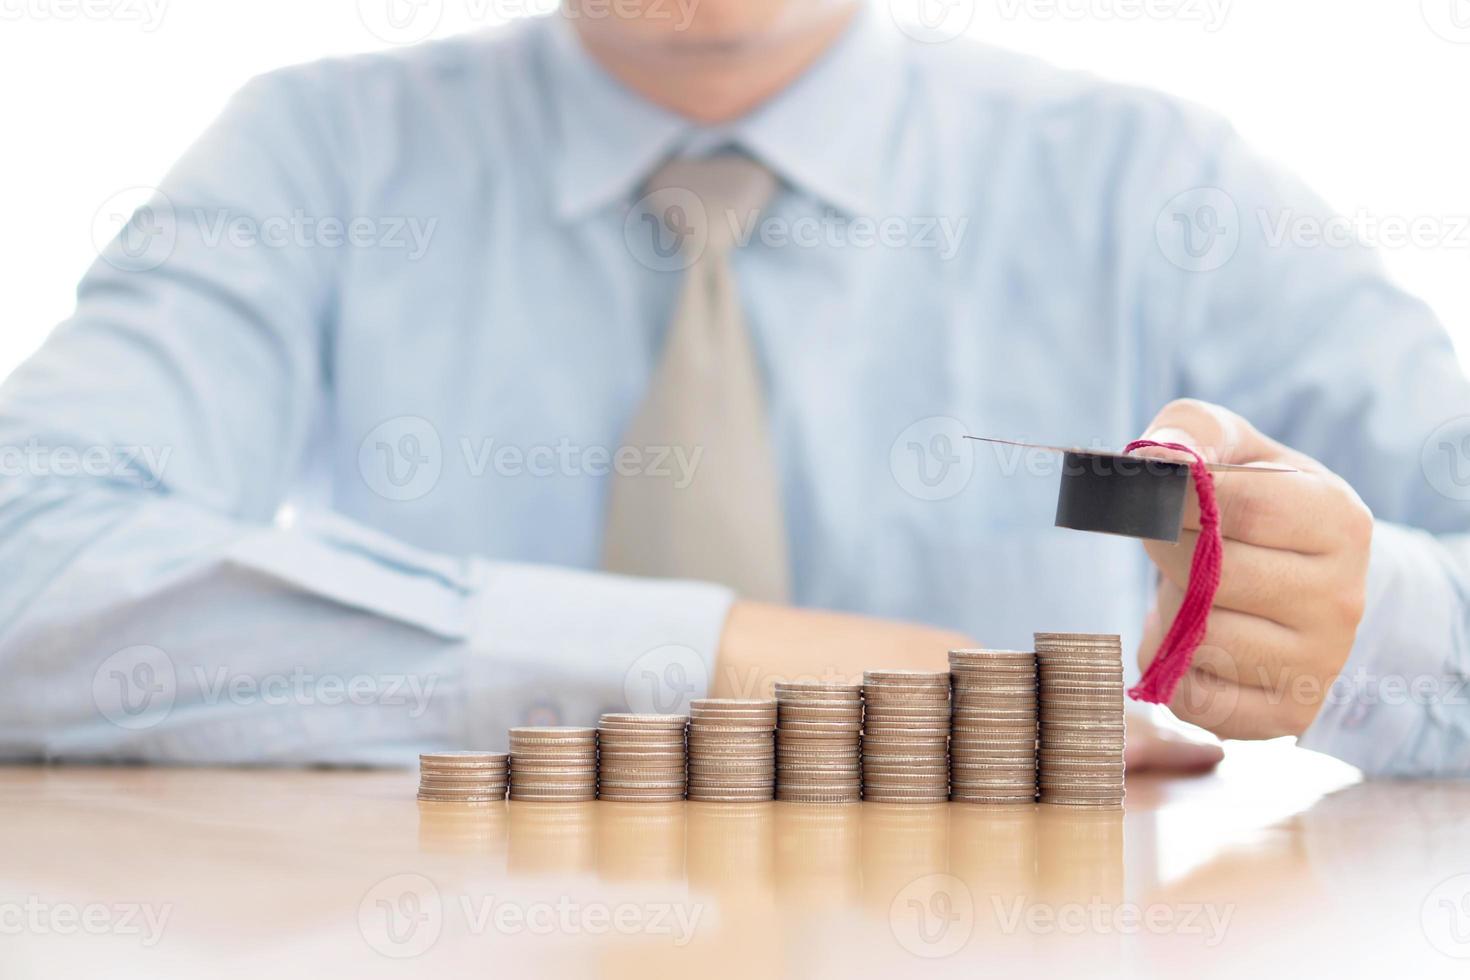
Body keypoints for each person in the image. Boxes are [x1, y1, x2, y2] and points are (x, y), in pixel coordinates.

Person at [0, 0, 1463, 776]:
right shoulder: (309, 155)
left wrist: (1363, 620)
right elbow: (27, 565)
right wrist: (724, 661)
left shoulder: (1155, 181)